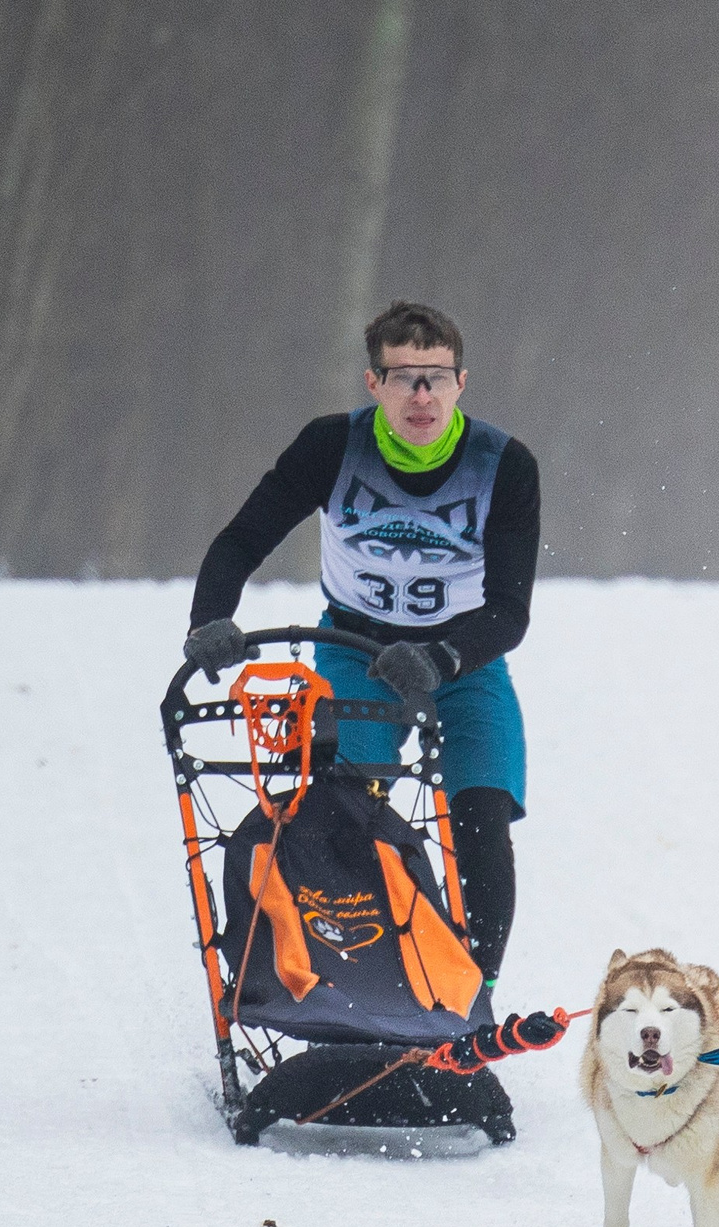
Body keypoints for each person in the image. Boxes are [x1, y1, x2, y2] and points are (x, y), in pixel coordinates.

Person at [184, 300, 539, 993]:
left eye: (436, 377)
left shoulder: (505, 465)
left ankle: (472, 998)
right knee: (357, 810)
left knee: (483, 817)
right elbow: (241, 540)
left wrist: (441, 658)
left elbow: (509, 610)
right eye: (403, 377)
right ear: (372, 384)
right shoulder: (332, 446)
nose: (422, 395)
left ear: (463, 382)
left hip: (464, 661)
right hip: (357, 650)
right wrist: (210, 619)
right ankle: (364, 986)